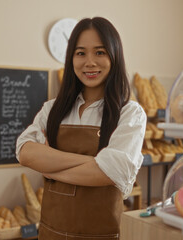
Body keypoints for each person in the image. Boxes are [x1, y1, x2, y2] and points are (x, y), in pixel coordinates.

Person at [16, 17, 146, 240]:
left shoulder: (130, 113)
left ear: (114, 56)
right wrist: (94, 162)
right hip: (50, 233)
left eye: (100, 52)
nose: (90, 62)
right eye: (81, 53)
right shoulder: (52, 109)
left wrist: (50, 167)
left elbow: (110, 172)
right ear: (71, 58)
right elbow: (25, 152)